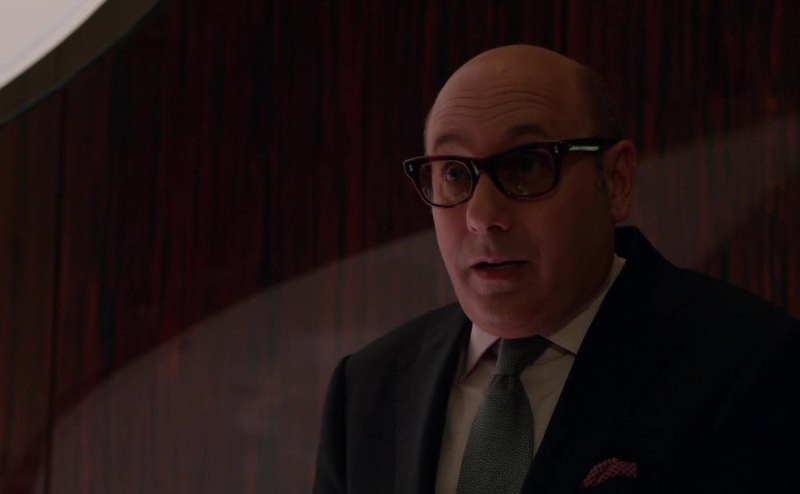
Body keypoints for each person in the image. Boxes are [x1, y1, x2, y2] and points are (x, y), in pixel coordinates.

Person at [313, 45, 800, 493]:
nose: (482, 216)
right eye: (455, 174)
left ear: (616, 181)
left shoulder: (752, 365)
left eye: (526, 166)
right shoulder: (367, 388)